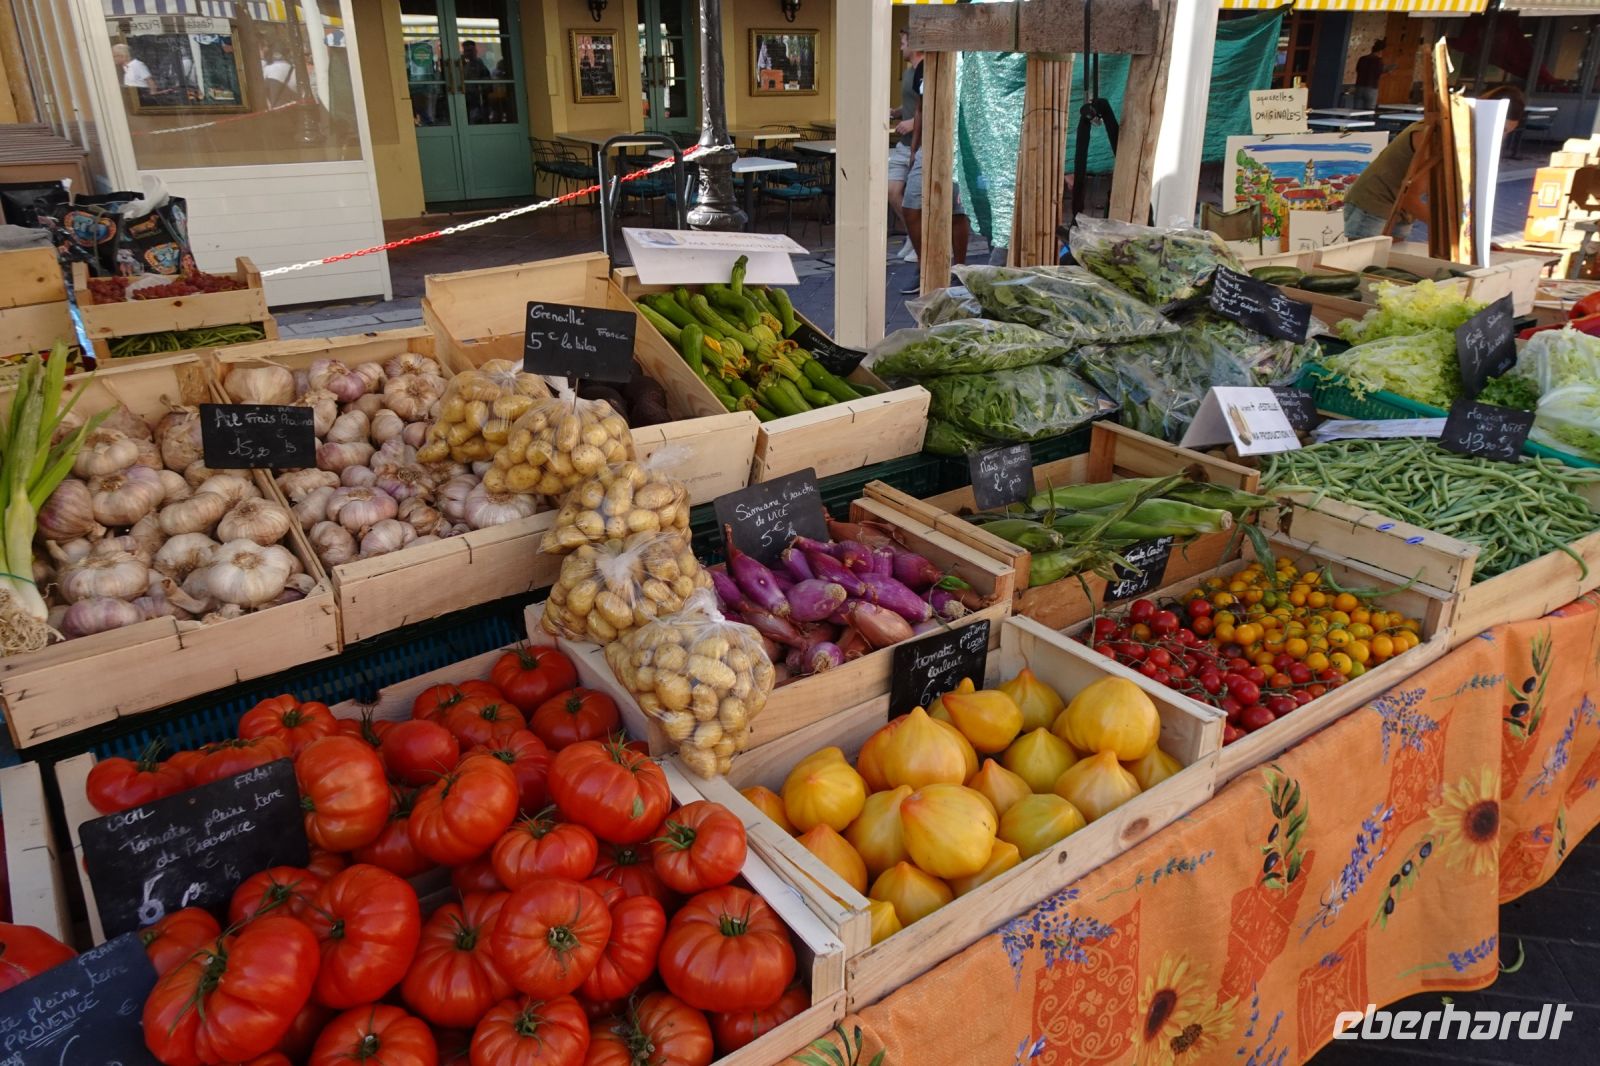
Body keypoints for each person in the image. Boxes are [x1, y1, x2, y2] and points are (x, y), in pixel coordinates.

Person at [1343, 84, 1524, 240]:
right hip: (1374, 204)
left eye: (1508, 132)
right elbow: (1409, 198)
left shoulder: (1459, 136)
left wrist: (1472, 239)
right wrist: (1455, 232)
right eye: (1502, 130)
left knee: (1390, 269)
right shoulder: (1437, 136)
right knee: (1365, 268)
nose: (1501, 138)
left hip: (1399, 211)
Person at [901, 55, 971, 292]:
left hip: (960, 146)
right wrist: (914, 147)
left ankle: (959, 269)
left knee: (957, 210)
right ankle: (925, 265)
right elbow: (921, 108)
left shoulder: (968, 63)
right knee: (910, 207)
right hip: (928, 146)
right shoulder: (927, 66)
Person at [888, 29, 921, 263]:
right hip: (903, 145)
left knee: (914, 200)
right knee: (891, 191)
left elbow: (933, 105)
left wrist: (912, 123)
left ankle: (919, 241)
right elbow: (911, 102)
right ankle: (912, 234)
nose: (900, 48)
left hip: (921, 145)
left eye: (903, 43)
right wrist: (897, 112)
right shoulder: (908, 72)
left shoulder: (927, 69)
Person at [1352, 38, 1385, 112]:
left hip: (1359, 87)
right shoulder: (1378, 61)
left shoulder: (1362, 59)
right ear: (1380, 51)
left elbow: (1358, 70)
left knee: (1356, 111)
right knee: (1369, 111)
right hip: (1371, 87)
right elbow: (1379, 72)